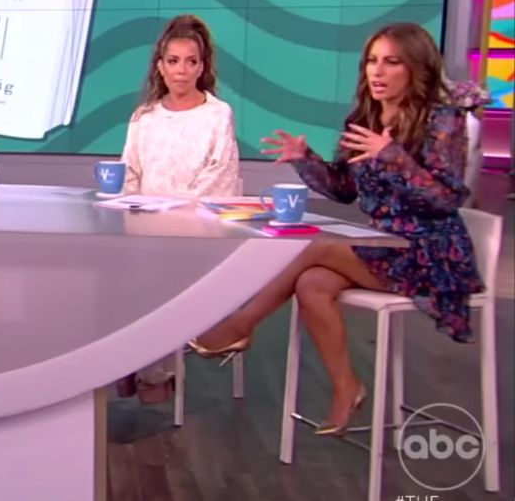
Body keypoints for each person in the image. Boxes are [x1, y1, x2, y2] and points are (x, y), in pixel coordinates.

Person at [190, 22, 485, 435]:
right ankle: (347, 388)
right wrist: (305, 158)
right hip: (384, 245)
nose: (377, 71)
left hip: (431, 254)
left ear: (416, 68)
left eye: (391, 62)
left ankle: (242, 324)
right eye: (372, 61)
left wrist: (392, 156)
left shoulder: (443, 120)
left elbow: (446, 198)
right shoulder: (365, 118)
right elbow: (344, 189)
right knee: (312, 282)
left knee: (311, 246)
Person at [115, 14, 241, 404]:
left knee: (154, 274)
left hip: (198, 231)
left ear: (202, 67)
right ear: (160, 66)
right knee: (114, 270)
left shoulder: (218, 115)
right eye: (173, 61)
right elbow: (129, 175)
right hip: (146, 230)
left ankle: (149, 373)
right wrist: (136, 212)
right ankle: (126, 365)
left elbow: (220, 179)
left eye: (190, 61)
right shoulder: (144, 117)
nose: (181, 70)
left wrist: (173, 214)